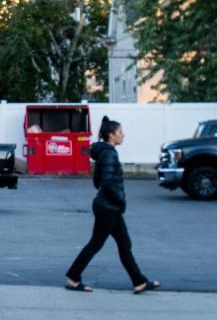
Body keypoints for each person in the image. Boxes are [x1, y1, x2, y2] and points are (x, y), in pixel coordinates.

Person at [65, 116, 160, 294]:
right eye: (120, 132)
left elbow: (97, 181)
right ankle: (73, 278)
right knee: (96, 244)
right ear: (111, 135)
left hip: (109, 206)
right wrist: (120, 200)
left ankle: (139, 281)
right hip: (108, 207)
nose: (123, 135)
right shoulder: (109, 153)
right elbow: (107, 182)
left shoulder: (104, 152)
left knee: (124, 244)